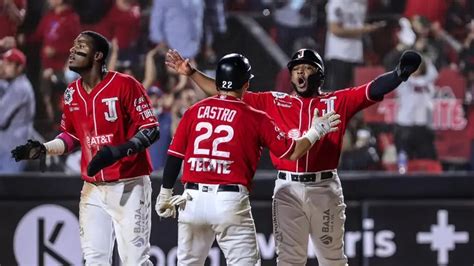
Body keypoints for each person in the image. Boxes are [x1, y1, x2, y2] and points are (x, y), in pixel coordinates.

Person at [165, 48, 422, 265]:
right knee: (289, 260)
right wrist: (191, 74)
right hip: (287, 187)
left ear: (319, 74)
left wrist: (398, 75)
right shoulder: (272, 101)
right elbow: (227, 91)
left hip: (324, 187)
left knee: (332, 258)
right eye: (296, 68)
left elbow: (371, 90)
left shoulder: (337, 101)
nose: (300, 72)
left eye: (307, 68)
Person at [155, 53, 341, 265]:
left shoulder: (194, 111)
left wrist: (165, 192)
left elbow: (174, 156)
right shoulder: (255, 116)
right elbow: (293, 152)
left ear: (217, 82)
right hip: (228, 200)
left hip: (191, 200)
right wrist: (315, 131)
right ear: (246, 84)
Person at [11, 31, 159, 265]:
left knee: (135, 262)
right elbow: (71, 137)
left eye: (80, 46)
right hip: (93, 188)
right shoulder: (71, 93)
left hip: (129, 184)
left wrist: (118, 151)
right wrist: (44, 148)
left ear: (98, 55)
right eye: (73, 45)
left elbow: (151, 129)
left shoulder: (125, 84)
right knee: (94, 261)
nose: (72, 50)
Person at [0, 48, 35, 173]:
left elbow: (1, 118)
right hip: (7, 148)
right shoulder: (12, 84)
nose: (4, 67)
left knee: (7, 190)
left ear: (19, 68)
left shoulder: (20, 88)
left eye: (9, 64)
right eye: (4, 62)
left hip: (13, 151)